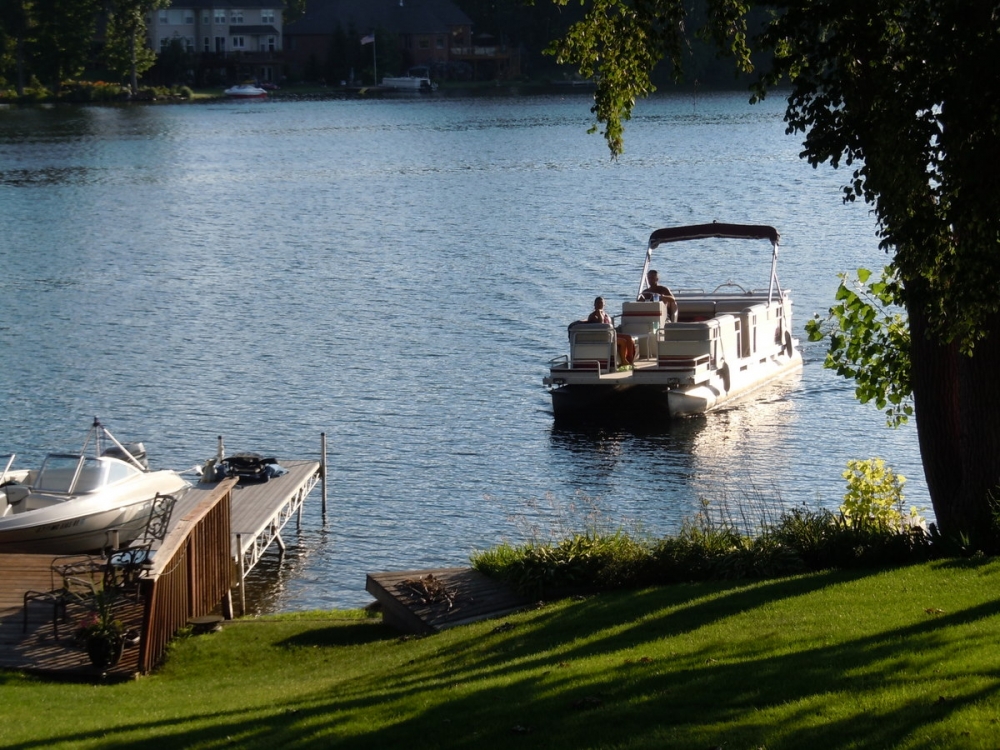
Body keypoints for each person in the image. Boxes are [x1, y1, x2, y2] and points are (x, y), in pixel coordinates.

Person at [586, 296, 635, 366]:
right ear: (594, 304)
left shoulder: (605, 314)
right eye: (598, 303)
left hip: (611, 334)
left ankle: (630, 360)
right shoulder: (593, 316)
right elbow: (600, 323)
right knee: (623, 341)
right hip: (604, 337)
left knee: (629, 338)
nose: (599, 304)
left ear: (604, 304)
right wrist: (599, 312)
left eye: (601, 303)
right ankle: (624, 361)